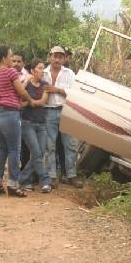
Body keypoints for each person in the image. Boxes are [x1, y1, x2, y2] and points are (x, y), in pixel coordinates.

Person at [0, 46, 33, 197]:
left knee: (4, 147)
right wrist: (30, 100)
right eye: (11, 57)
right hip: (7, 114)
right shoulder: (10, 71)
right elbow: (21, 91)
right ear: (3, 58)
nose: (12, 60)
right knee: (14, 149)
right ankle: (13, 183)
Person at [43, 46, 82, 189]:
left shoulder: (70, 73)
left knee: (71, 145)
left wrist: (57, 90)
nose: (57, 59)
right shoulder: (42, 73)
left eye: (60, 56)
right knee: (49, 145)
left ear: (65, 58)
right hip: (48, 111)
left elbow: (76, 93)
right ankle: (52, 176)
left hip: (66, 111)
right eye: (55, 56)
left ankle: (71, 175)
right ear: (50, 57)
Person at [18, 59, 52, 193]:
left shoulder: (45, 85)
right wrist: (26, 82)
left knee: (40, 153)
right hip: (27, 123)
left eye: (43, 68)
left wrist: (30, 101)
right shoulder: (26, 84)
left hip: (42, 123)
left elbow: (43, 101)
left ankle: (21, 179)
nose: (42, 71)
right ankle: (46, 181)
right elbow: (19, 102)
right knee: (37, 153)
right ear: (32, 70)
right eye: (39, 68)